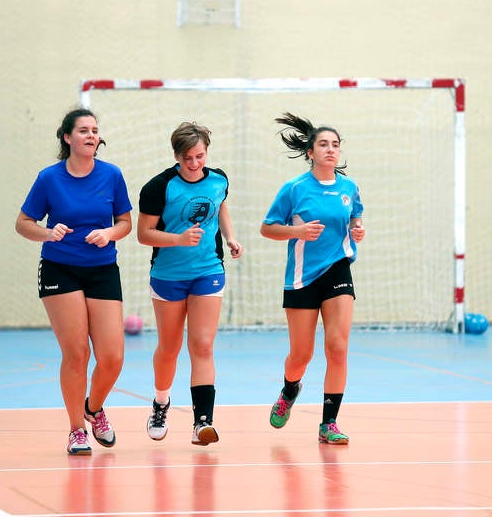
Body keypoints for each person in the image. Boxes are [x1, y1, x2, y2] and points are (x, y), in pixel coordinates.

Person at [15, 108, 133, 455]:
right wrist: (48, 233)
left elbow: (125, 222)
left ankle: (93, 409)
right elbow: (23, 223)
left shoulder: (112, 175)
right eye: (83, 130)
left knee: (112, 356)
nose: (91, 135)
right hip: (60, 269)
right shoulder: (49, 178)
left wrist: (108, 233)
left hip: (102, 268)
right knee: (77, 352)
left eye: (95, 130)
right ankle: (76, 430)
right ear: (67, 137)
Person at [260, 112, 365, 445]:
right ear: (310, 151)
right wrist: (298, 231)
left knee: (337, 348)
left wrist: (357, 230)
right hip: (302, 277)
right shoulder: (294, 189)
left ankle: (328, 423)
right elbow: (268, 228)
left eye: (335, 145)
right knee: (301, 356)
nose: (330, 150)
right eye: (323, 144)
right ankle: (290, 389)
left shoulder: (349, 187)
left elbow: (355, 215)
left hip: (338, 270)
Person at [137, 122, 243, 446]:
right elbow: (144, 234)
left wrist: (230, 236)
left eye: (200, 156)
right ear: (176, 156)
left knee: (203, 345)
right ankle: (160, 402)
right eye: (188, 158)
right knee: (169, 349)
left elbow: (221, 205)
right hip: (168, 275)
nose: (195, 163)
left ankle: (202, 423)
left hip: (208, 270)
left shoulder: (219, 180)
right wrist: (178, 239)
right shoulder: (159, 187)